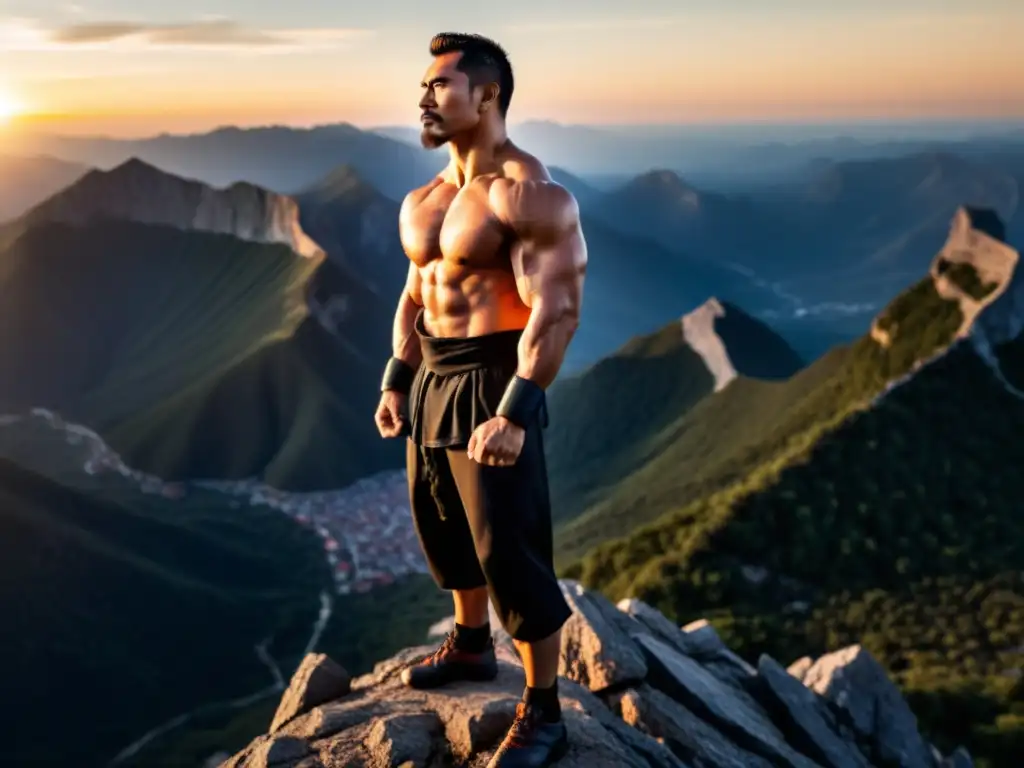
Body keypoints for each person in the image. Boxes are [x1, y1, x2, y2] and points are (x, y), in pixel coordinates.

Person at [374, 31, 587, 768]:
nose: (424, 97)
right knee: (441, 521)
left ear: (486, 94)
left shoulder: (527, 193)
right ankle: (470, 645)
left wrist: (516, 409)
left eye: (439, 85)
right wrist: (396, 379)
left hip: (495, 377)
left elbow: (555, 309)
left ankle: (545, 709)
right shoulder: (425, 199)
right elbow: (414, 293)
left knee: (509, 545)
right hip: (432, 372)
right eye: (425, 85)